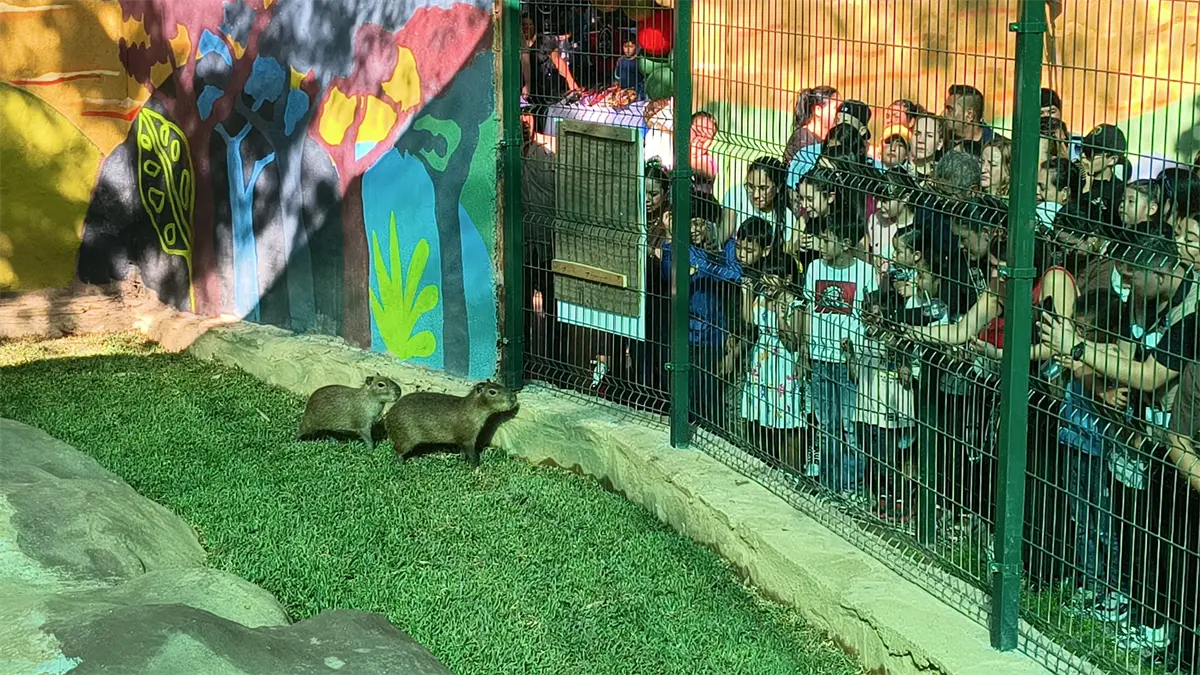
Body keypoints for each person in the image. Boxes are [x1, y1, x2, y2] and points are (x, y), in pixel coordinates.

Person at [802, 213, 879, 501]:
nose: (820, 244)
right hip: (821, 356)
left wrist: (859, 355)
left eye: (826, 239)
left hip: (850, 361)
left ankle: (852, 486)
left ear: (846, 243)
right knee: (826, 423)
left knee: (849, 426)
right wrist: (804, 350)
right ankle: (829, 483)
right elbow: (809, 310)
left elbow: (873, 316)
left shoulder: (866, 273)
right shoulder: (813, 269)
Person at [660, 191, 741, 429]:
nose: (694, 229)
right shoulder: (679, 246)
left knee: (709, 400)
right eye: (689, 223)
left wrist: (704, 262)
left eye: (700, 223)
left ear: (714, 224)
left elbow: (734, 275)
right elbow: (670, 275)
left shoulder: (727, 247)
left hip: (713, 338)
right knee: (683, 396)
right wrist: (670, 238)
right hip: (683, 335)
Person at [732, 219, 807, 472]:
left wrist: (779, 315)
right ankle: (767, 465)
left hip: (783, 367)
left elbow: (792, 342)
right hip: (762, 364)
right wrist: (747, 295)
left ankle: (791, 471)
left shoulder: (794, 304)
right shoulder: (762, 297)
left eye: (772, 276)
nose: (766, 280)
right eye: (765, 274)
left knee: (788, 421)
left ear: (786, 278)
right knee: (761, 418)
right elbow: (748, 320)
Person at [521, 13, 579, 132]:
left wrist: (571, 82)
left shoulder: (545, 41)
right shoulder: (516, 42)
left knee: (545, 119)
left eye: (530, 24)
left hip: (545, 88)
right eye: (523, 25)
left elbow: (558, 62)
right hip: (524, 90)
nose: (526, 27)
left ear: (535, 26)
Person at [721, 156, 795, 248]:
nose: (756, 195)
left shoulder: (787, 218)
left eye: (763, 188)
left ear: (778, 187)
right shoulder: (738, 193)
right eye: (751, 186)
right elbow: (726, 227)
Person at [1079, 124, 1131, 231]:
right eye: (1083, 148)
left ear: (1112, 159)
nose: (1083, 155)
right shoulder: (1074, 177)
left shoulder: (1119, 192)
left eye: (1091, 152)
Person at [783, 86, 841, 177]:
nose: (841, 113)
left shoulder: (831, 135)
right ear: (818, 110)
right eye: (836, 108)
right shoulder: (803, 138)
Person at [943, 84, 995, 157]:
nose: (943, 114)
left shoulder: (998, 146)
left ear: (969, 115)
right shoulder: (940, 141)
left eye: (950, 110)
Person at [909, 114, 945, 184]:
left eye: (929, 136)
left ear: (940, 143)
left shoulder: (943, 177)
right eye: (917, 134)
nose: (921, 140)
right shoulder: (898, 169)